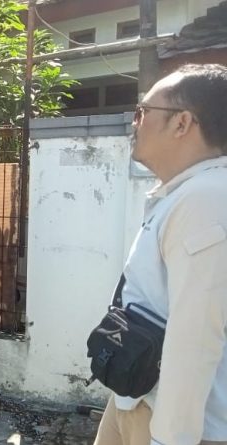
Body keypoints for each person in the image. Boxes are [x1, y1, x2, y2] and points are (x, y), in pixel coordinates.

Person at [92, 64, 227, 445]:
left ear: (182, 122)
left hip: (169, 418)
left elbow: (195, 339)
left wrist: (169, 440)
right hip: (138, 394)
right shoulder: (186, 193)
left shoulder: (206, 199)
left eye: (143, 112)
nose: (134, 123)